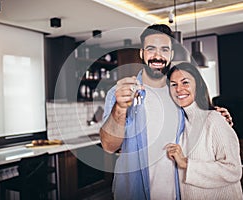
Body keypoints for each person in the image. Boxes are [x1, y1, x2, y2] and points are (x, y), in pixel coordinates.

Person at [100, 24, 233, 199]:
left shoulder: (178, 93)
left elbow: (197, 121)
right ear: (142, 53)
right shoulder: (120, 93)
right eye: (151, 49)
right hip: (133, 191)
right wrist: (120, 108)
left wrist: (217, 118)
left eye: (164, 49)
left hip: (178, 190)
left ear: (170, 54)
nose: (157, 56)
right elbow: (109, 146)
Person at [165, 62, 243, 199]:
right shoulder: (178, 126)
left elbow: (233, 170)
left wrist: (186, 163)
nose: (179, 89)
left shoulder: (214, 119)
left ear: (198, 86)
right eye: (173, 84)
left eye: (185, 83)